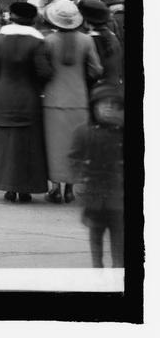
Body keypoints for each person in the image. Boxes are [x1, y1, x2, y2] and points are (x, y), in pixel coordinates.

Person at [0, 1, 52, 203]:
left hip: (1, 97)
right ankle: (24, 189)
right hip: (28, 99)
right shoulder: (38, 42)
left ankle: (7, 189)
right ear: (31, 20)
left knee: (4, 145)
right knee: (26, 145)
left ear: (11, 17)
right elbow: (44, 72)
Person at [41, 0, 103, 204]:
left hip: (52, 100)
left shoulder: (48, 41)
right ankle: (70, 190)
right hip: (78, 99)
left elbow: (43, 71)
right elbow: (96, 70)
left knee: (54, 145)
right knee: (74, 146)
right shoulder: (87, 41)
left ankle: (55, 189)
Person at [68, 82, 124, 268]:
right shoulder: (84, 132)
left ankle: (118, 270)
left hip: (119, 199)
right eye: (103, 103)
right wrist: (80, 178)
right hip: (94, 196)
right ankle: (97, 270)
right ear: (94, 107)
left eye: (113, 103)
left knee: (119, 238)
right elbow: (74, 158)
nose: (108, 106)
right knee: (96, 235)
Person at [78, 0, 122, 92]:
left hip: (96, 92)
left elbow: (92, 71)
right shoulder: (112, 37)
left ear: (84, 18)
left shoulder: (90, 39)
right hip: (114, 89)